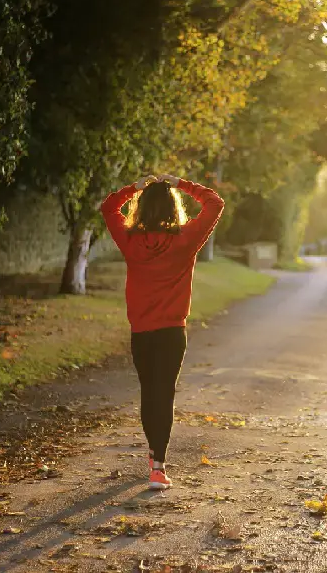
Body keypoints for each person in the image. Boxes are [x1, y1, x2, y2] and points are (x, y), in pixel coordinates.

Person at [100, 173, 225, 490]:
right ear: (173, 208)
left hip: (142, 332)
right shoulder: (186, 239)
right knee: (164, 393)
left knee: (149, 392)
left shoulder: (129, 240)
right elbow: (215, 202)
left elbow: (108, 207)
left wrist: (134, 188)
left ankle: (154, 457)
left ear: (141, 209)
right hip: (172, 333)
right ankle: (158, 467)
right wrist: (181, 183)